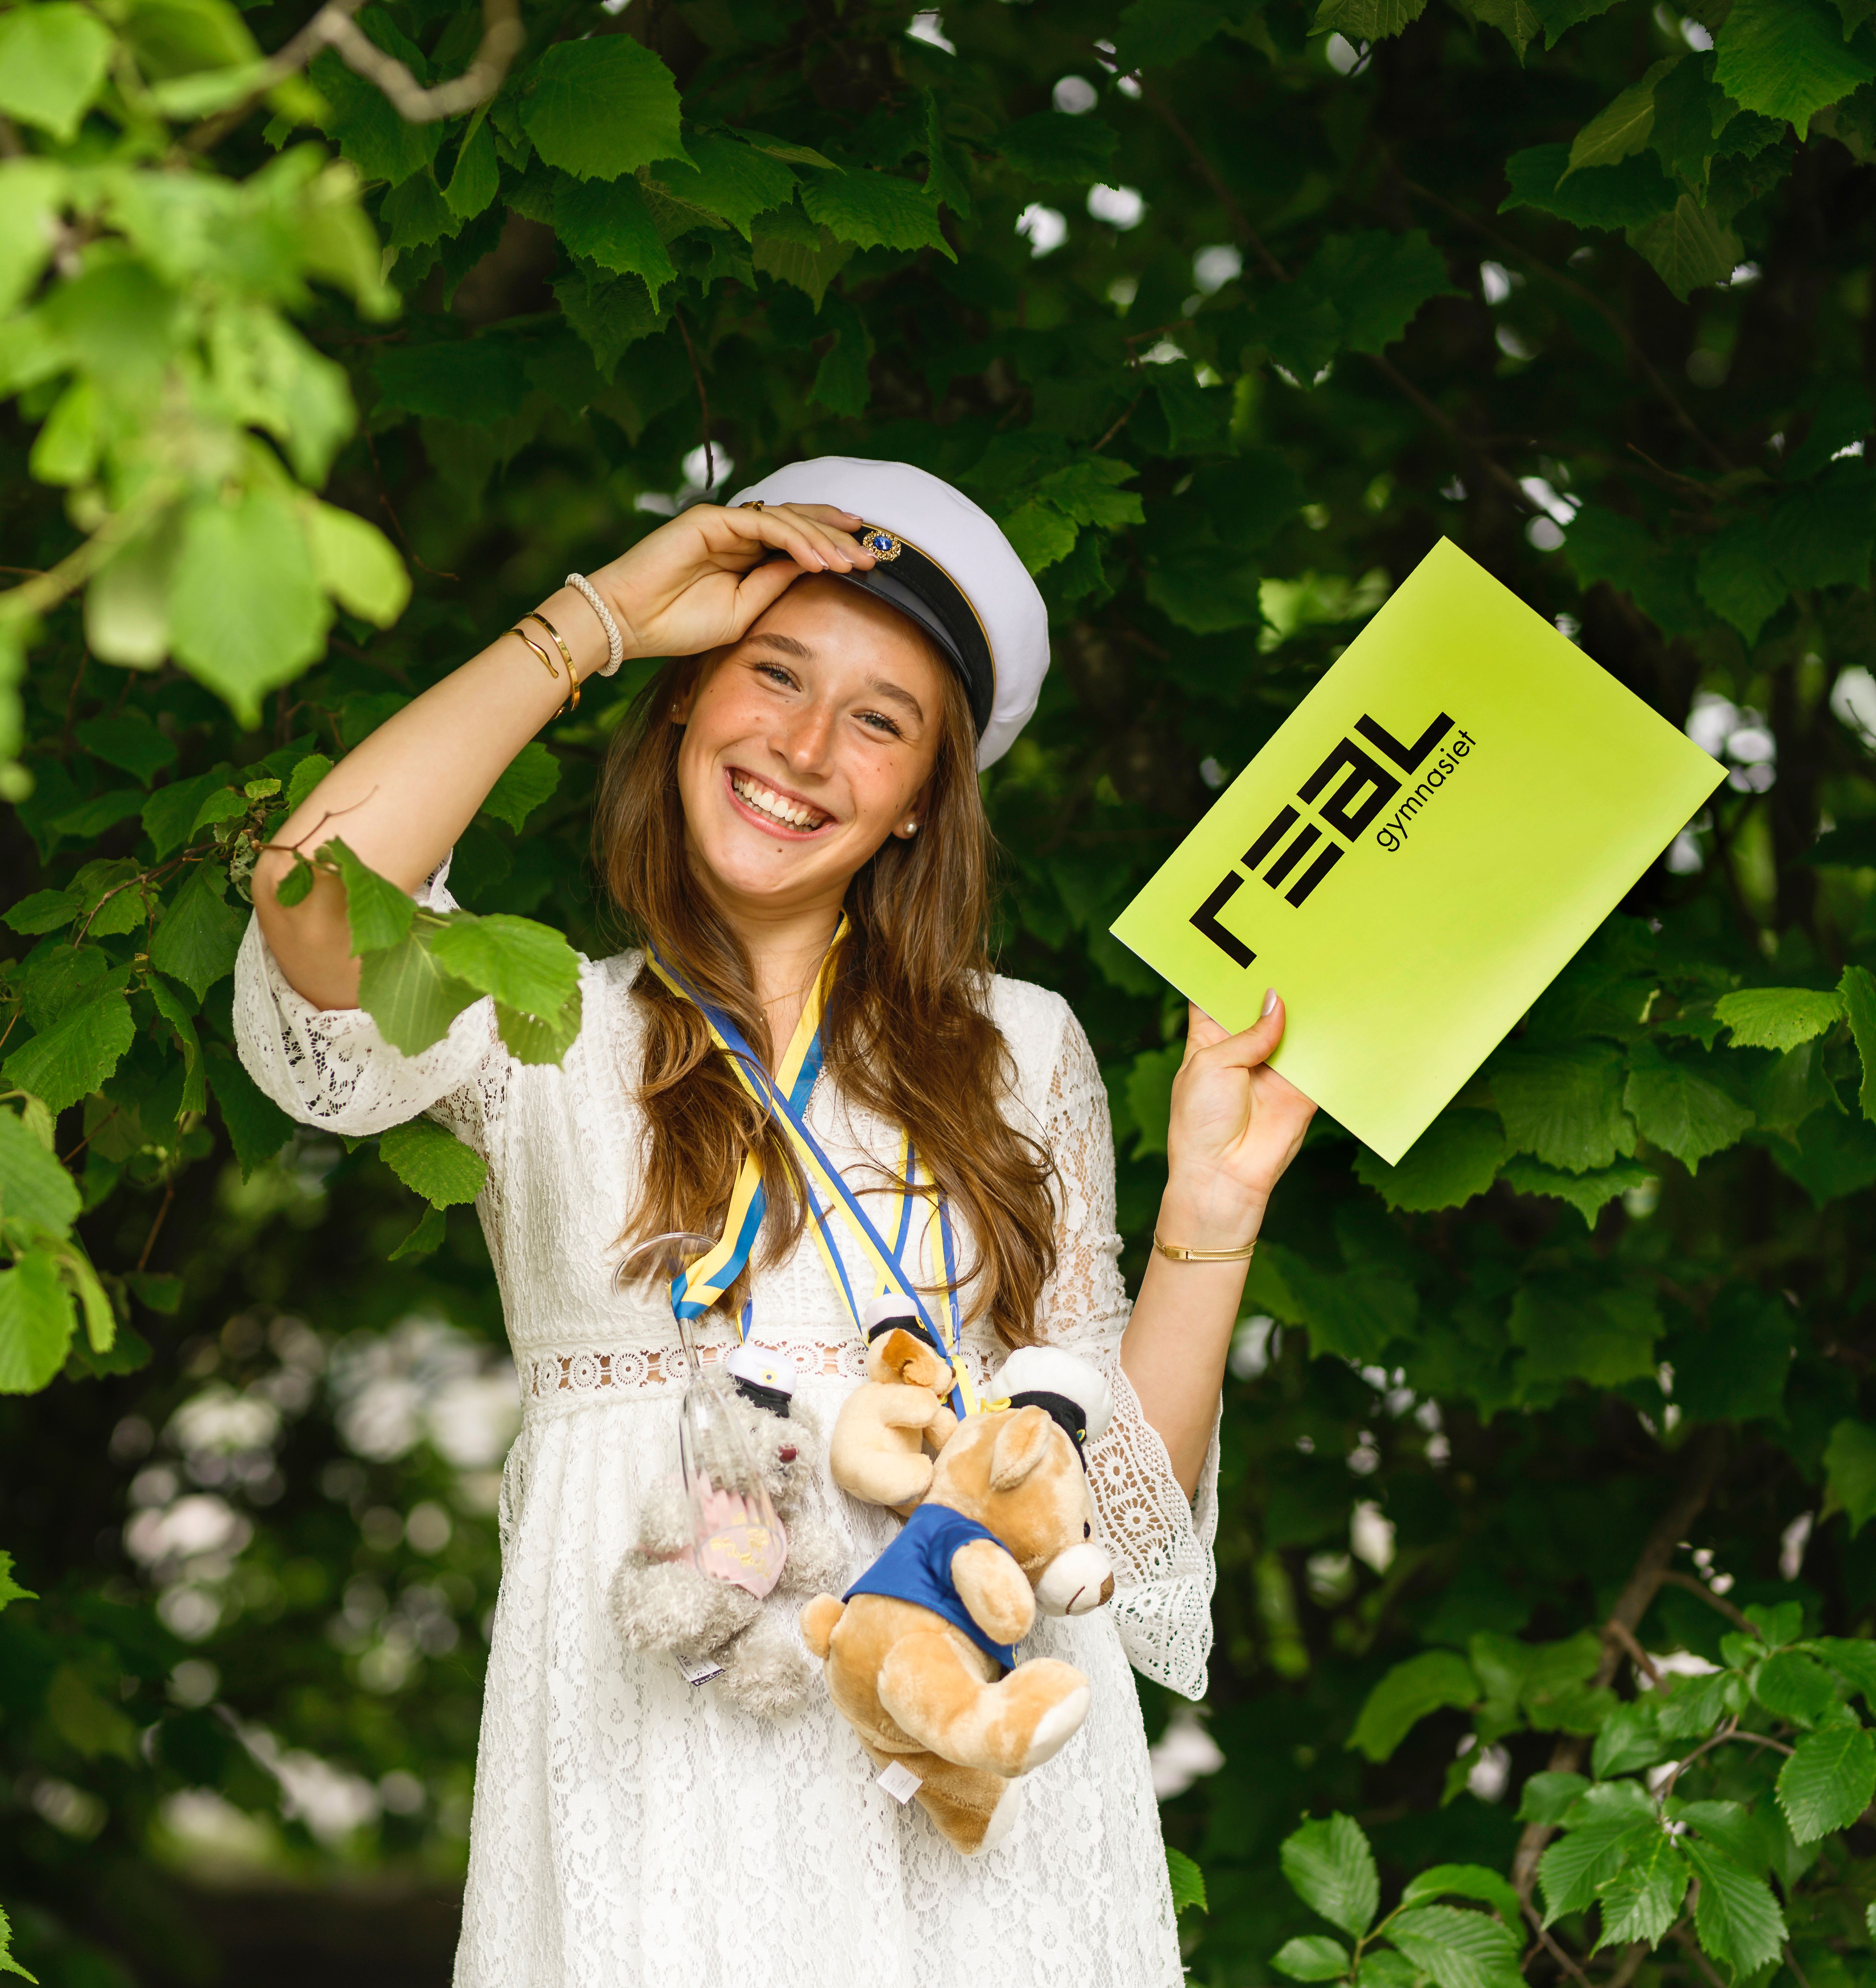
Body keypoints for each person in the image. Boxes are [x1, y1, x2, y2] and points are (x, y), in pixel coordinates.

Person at [238, 458, 1317, 1987]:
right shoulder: (545, 1022)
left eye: (879, 720)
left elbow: (1111, 1498)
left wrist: (1213, 1212)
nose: (804, 747)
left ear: (915, 806)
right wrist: (600, 617)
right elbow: (314, 895)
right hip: (656, 1766)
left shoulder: (1021, 1045)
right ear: (684, 698)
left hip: (959, 1790)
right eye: (772, 674)